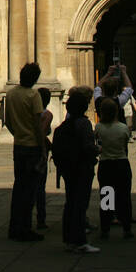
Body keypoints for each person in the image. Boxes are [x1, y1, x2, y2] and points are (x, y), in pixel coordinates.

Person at [3, 62, 47, 242]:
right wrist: (42, 147)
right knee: (30, 190)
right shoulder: (33, 95)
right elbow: (37, 124)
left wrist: (17, 134)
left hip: (18, 145)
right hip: (32, 147)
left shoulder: (11, 94)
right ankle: (25, 229)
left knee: (19, 187)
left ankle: (15, 227)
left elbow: (7, 121)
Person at [53, 89, 99, 254]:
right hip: (83, 168)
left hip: (68, 169)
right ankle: (80, 240)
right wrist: (97, 150)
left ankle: (69, 239)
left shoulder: (64, 126)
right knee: (80, 204)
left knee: (71, 203)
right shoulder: (84, 123)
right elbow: (88, 147)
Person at [94, 96, 132, 239]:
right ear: (117, 111)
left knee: (106, 197)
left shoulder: (98, 127)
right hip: (121, 163)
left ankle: (105, 228)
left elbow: (97, 142)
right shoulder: (123, 128)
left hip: (106, 164)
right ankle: (127, 228)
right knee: (124, 197)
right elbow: (125, 144)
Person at [34, 87, 53, 230]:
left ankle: (23, 219)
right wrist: (44, 150)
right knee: (40, 187)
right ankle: (41, 219)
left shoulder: (30, 112)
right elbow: (41, 133)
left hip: (26, 147)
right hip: (39, 151)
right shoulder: (47, 114)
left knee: (26, 186)